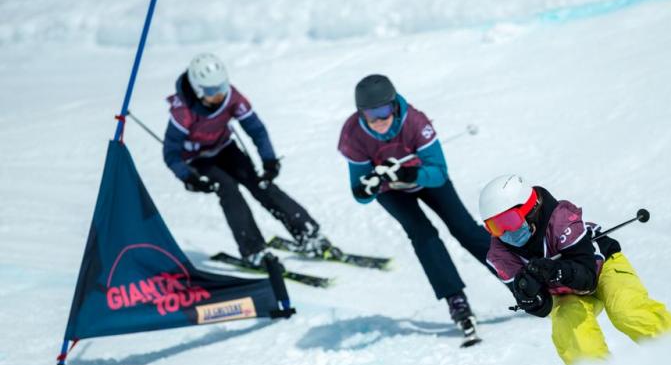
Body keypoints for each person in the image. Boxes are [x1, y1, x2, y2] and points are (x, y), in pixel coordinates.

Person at [337, 74, 494, 339]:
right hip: (392, 192)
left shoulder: (415, 122)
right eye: (370, 115)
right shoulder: (353, 135)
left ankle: (519, 274)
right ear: (360, 114)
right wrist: (368, 188)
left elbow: (439, 172)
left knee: (465, 229)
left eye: (383, 111)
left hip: (428, 180)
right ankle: (455, 300)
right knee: (423, 235)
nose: (378, 121)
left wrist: (411, 175)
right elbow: (360, 193)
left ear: (394, 106)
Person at [478, 174, 671, 365]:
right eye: (495, 227)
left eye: (509, 221)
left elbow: (588, 277)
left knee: (626, 311)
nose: (505, 233)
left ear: (530, 209)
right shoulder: (500, 255)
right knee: (569, 327)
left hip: (602, 267)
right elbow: (542, 307)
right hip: (564, 291)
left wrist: (556, 271)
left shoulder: (560, 220)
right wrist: (529, 295)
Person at [163, 53, 333, 267]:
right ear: (198, 90)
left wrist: (269, 161)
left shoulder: (231, 97)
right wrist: (188, 177)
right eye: (211, 91)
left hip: (225, 149)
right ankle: (254, 250)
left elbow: (256, 129)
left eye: (222, 87)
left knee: (261, 184)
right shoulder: (183, 112)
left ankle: (308, 234)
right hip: (198, 160)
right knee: (229, 190)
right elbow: (170, 153)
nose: (219, 95)